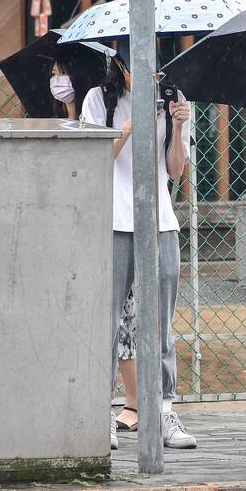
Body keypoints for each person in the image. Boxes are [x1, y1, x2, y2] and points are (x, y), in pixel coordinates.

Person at [82, 54, 196, 450]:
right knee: (108, 321)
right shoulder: (100, 100)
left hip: (160, 221)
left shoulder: (174, 99)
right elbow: (93, 160)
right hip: (113, 221)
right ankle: (101, 414)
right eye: (134, 66)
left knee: (160, 321)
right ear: (119, 65)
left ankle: (164, 410)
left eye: (153, 67)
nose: (144, 75)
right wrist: (127, 130)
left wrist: (178, 127)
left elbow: (176, 170)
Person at [49, 52, 141, 431]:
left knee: (126, 315)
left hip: (107, 216)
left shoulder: (98, 105)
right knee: (94, 314)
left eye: (64, 73)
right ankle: (86, 402)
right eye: (54, 74)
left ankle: (134, 404)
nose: (58, 81)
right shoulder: (52, 117)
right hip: (74, 219)